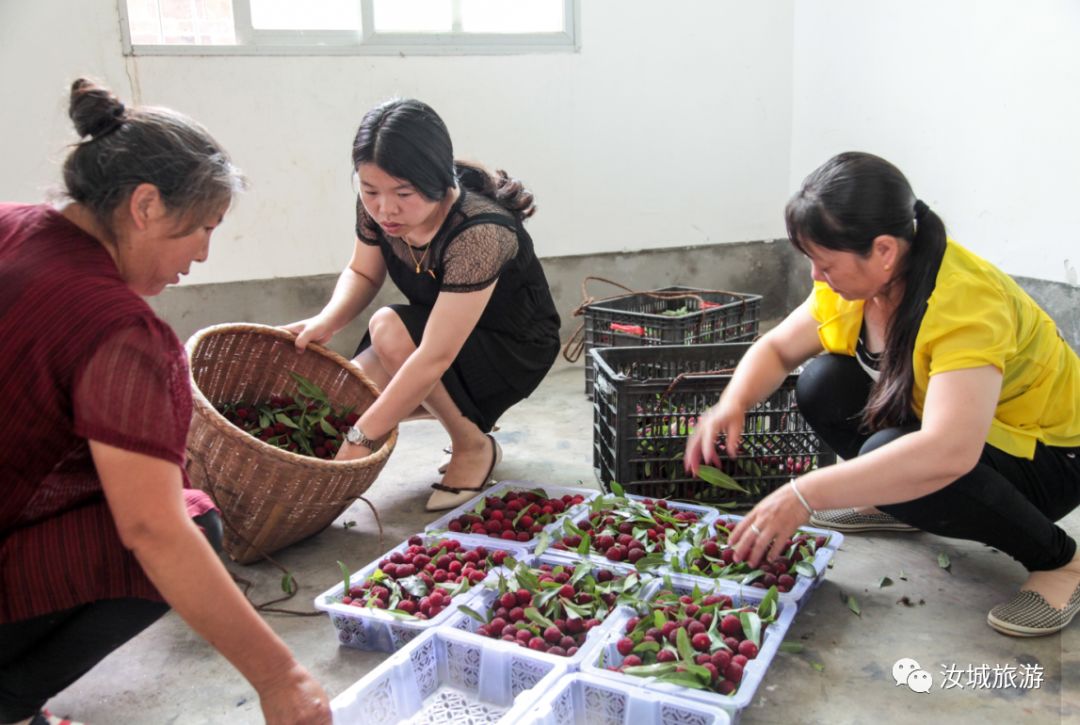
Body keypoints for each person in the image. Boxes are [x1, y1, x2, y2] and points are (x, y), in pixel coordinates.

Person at [0, 79, 331, 725]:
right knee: (187, 519)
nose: (203, 253)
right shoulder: (116, 328)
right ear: (145, 205)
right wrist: (281, 676)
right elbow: (152, 529)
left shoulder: (12, 224)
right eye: (202, 228)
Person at [685, 152, 1080, 638]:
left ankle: (1061, 561)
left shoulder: (967, 303)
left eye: (824, 262)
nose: (815, 276)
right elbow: (778, 348)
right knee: (821, 382)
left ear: (885, 250)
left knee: (891, 453)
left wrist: (803, 494)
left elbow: (949, 450)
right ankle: (893, 502)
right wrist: (733, 403)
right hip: (968, 438)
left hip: (1051, 460)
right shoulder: (855, 282)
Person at [285, 99, 561, 511]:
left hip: (511, 346)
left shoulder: (481, 231)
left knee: (387, 332)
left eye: (403, 193)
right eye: (369, 190)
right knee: (336, 402)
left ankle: (471, 445)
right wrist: (328, 320)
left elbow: (434, 355)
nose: (385, 209)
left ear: (437, 180)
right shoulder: (382, 205)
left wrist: (361, 438)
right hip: (437, 334)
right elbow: (362, 272)